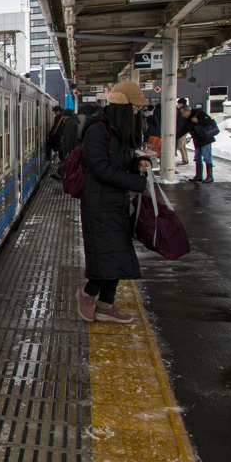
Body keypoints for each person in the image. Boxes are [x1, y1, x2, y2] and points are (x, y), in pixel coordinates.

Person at [76, 80, 153, 324]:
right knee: (110, 256)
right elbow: (100, 168)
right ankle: (87, 294)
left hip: (115, 201)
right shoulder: (98, 129)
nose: (137, 113)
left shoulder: (118, 130)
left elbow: (119, 162)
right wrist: (137, 183)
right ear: (123, 107)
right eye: (134, 108)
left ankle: (106, 305)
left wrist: (138, 164)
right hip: (98, 202)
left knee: (119, 254)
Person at [180, 104, 217, 183]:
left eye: (183, 113)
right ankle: (198, 176)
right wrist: (173, 137)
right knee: (197, 158)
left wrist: (198, 121)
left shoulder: (199, 114)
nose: (182, 115)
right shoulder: (188, 119)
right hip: (197, 140)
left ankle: (210, 177)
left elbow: (209, 121)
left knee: (207, 157)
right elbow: (184, 130)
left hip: (205, 139)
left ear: (188, 111)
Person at [175, 97, 190, 165]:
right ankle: (185, 159)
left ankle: (185, 160)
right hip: (184, 129)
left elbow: (180, 122)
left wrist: (178, 131)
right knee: (183, 145)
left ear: (181, 104)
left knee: (180, 145)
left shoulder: (183, 111)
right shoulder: (186, 110)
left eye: (178, 104)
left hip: (182, 130)